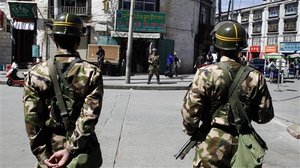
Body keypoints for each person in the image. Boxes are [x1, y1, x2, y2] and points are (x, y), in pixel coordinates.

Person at [180, 20, 274, 168]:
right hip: (244, 145)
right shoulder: (256, 76)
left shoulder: (205, 73)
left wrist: (192, 130)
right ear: (242, 45)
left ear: (217, 45)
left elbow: (190, 112)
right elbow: (264, 116)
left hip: (211, 142)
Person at [23, 13, 103, 168]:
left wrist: (42, 153)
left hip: (50, 152)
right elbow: (89, 118)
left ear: (54, 38)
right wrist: (69, 149)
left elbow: (32, 119)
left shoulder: (36, 73)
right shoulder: (91, 72)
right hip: (80, 153)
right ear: (78, 40)